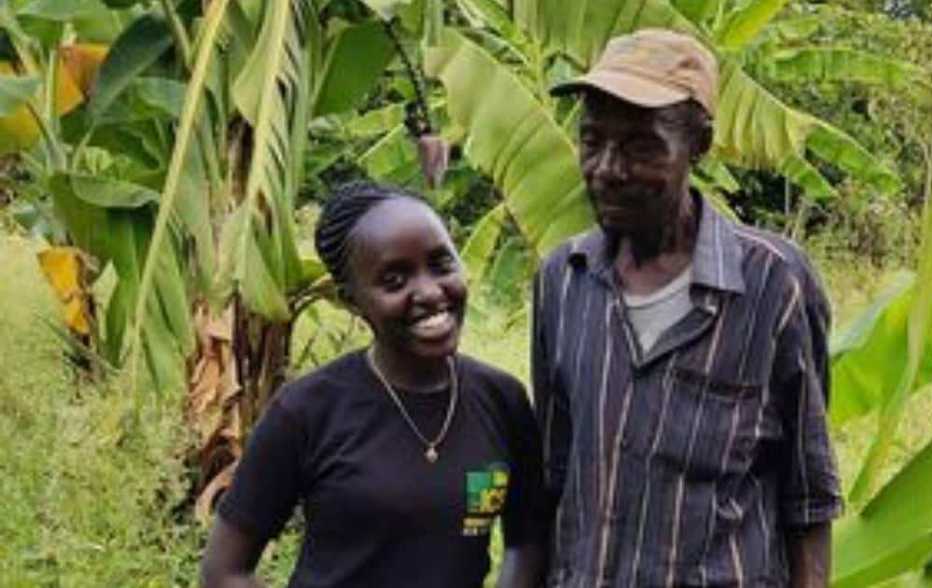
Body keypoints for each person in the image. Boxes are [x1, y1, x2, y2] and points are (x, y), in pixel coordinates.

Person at [532, 29, 842, 587]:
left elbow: (808, 498)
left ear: (697, 145)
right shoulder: (563, 280)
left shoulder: (774, 284)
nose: (606, 167)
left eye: (641, 146)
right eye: (592, 139)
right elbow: (554, 475)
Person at [201, 182, 548, 587]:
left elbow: (528, 543)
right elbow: (224, 570)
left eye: (441, 264)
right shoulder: (306, 410)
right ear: (352, 301)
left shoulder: (502, 399)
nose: (430, 292)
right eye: (395, 280)